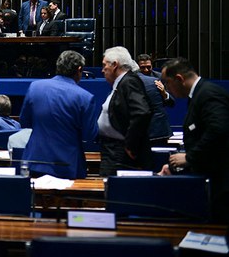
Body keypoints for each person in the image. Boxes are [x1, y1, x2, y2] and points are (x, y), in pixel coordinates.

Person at [159, 58, 229, 223]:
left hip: (221, 181)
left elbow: (219, 129)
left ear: (179, 79)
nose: (167, 88)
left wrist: (189, 158)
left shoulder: (208, 94)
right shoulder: (199, 94)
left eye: (167, 83)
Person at [20, 51, 98, 179]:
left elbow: (25, 122)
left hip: (35, 160)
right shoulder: (85, 97)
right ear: (79, 69)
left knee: (35, 198)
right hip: (67, 164)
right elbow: (89, 135)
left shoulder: (35, 87)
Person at [98, 46, 153, 176]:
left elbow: (142, 112)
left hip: (119, 152)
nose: (102, 70)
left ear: (115, 65)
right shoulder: (122, 82)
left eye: (104, 65)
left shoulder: (128, 82)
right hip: (113, 149)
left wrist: (130, 144)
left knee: (112, 190)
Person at [130, 61, 173, 142]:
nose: (146, 70)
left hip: (155, 127)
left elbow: (171, 102)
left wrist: (164, 94)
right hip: (153, 130)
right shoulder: (150, 81)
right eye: (143, 67)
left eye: (148, 67)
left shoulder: (159, 78)